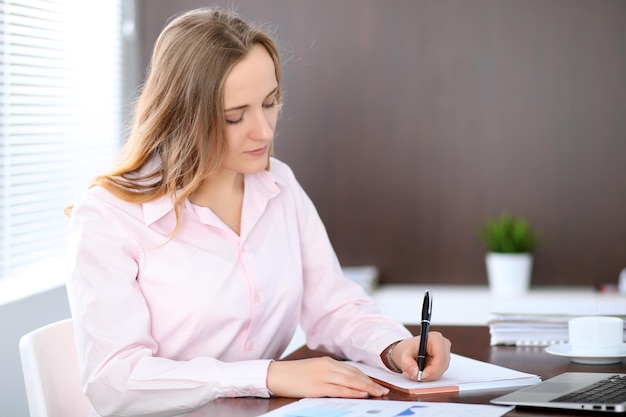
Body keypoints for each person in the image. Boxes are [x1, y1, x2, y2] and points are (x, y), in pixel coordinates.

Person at [66, 7, 451, 417]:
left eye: (270, 103)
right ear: (182, 116)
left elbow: (334, 305)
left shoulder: (279, 185)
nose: (264, 131)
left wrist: (392, 347)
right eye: (235, 117)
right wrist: (265, 376)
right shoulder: (109, 216)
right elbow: (112, 379)